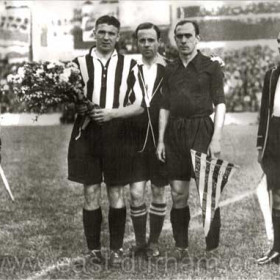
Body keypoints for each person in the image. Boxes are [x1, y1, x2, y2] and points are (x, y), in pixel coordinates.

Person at [67, 15, 144, 267]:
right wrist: (78, 108)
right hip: (86, 135)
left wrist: (112, 113)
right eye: (102, 32)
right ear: (94, 33)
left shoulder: (130, 65)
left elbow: (140, 106)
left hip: (118, 135)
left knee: (115, 192)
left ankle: (116, 249)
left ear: (118, 36)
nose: (106, 37)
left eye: (112, 33)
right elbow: (70, 101)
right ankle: (93, 250)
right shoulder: (77, 64)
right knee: (90, 191)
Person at [156, 20, 226, 259]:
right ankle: (181, 246)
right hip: (174, 132)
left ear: (198, 37)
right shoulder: (170, 69)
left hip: (202, 130)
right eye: (179, 37)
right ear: (175, 40)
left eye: (188, 36)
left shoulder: (211, 67)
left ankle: (212, 248)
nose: (184, 41)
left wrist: (216, 137)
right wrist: (161, 140)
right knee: (178, 193)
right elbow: (164, 106)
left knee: (207, 193)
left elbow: (221, 104)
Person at [128, 23, 168, 258]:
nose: (146, 44)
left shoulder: (169, 69)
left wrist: (163, 139)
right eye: (142, 40)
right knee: (135, 193)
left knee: (158, 191)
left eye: (151, 40)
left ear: (158, 41)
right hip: (135, 138)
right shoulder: (130, 69)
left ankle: (153, 242)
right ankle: (140, 242)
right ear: (137, 42)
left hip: (162, 139)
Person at [256, 31, 280, 265]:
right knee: (277, 196)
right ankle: (277, 249)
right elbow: (264, 112)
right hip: (275, 138)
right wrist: (260, 144)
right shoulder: (271, 76)